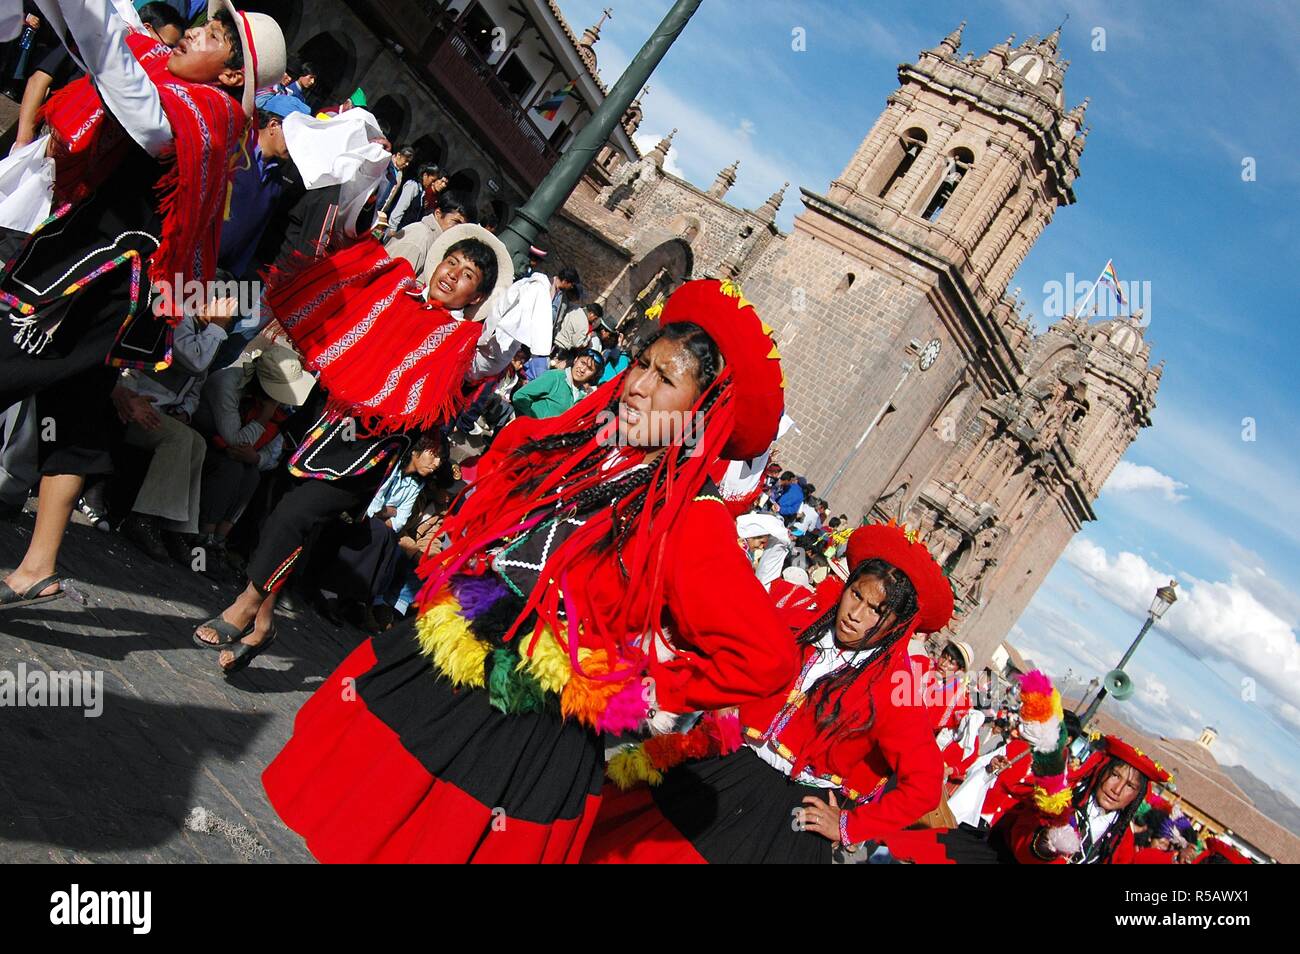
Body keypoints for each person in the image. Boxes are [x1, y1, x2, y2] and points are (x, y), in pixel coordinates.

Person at [262, 278, 798, 863]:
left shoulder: (692, 520)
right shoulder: (582, 448)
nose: (638, 386)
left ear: (701, 410)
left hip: (533, 718)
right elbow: (502, 474)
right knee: (359, 808)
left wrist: (651, 688)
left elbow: (766, 659)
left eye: (665, 380)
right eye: (641, 364)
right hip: (458, 652)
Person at [0, 1, 284, 610]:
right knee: (74, 410)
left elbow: (129, 89)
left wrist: (90, 17)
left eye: (210, 37)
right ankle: (39, 569)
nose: (189, 37)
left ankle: (39, 568)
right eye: (203, 26)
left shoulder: (205, 115)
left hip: (101, 281)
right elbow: (122, 42)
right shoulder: (183, 88)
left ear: (232, 76)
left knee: (10, 362)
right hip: (98, 270)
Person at [191, 235, 500, 673]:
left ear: (478, 296)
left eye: (467, 275)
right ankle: (263, 626)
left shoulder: (461, 340)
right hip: (323, 425)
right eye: (451, 262)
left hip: (368, 451)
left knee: (293, 516)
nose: (452, 275)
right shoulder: (395, 292)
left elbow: (463, 379)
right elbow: (343, 305)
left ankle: (243, 606)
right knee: (284, 519)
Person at [582, 521, 952, 863]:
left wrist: (848, 825)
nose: (856, 613)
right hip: (725, 767)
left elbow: (923, 785)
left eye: (876, 611)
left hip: (789, 815)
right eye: (856, 594)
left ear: (896, 625)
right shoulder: (799, 621)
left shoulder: (891, 689)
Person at [883, 734, 1170, 864]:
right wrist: (1043, 845)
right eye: (1116, 776)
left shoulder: (1122, 843)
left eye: (1130, 785)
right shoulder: (1060, 800)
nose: (1118, 789)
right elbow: (1021, 838)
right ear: (1100, 773)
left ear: (1136, 798)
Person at [317, 431, 448, 632]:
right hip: (354, 513)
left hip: (383, 528)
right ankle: (330, 592)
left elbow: (400, 520)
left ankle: (359, 599)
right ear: (416, 451)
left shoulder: (415, 484)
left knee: (388, 538)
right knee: (381, 533)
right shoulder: (392, 466)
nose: (436, 463)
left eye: (440, 458)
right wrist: (389, 511)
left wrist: (386, 513)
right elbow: (372, 505)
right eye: (434, 455)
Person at [192, 344, 314, 559]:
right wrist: (264, 415)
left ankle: (219, 539)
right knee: (230, 468)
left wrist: (256, 458)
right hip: (203, 439)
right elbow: (235, 440)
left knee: (251, 474)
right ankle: (204, 535)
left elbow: (272, 454)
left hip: (237, 454)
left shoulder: (276, 406)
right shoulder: (228, 384)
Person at [382, 189, 473, 277]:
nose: (458, 229)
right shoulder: (420, 238)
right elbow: (392, 283)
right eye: (456, 222)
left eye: (463, 227)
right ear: (438, 213)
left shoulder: (436, 242)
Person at [509, 348, 602, 419]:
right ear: (575, 360)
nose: (582, 369)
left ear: (593, 375)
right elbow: (520, 396)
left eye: (589, 369)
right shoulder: (556, 377)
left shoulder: (582, 397)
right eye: (582, 363)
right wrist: (532, 423)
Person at [384, 162, 446, 237]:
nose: (432, 183)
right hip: (398, 228)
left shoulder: (421, 191)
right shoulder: (412, 186)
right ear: (425, 175)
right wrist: (393, 228)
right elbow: (401, 207)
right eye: (432, 180)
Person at [736, 511, 792, 590]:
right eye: (761, 542)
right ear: (750, 536)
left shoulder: (745, 550)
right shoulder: (738, 551)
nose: (761, 547)